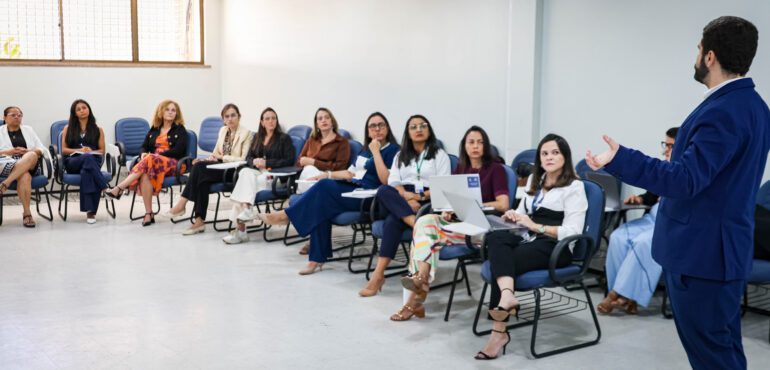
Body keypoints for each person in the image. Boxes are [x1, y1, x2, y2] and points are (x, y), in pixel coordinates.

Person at [585, 16, 768, 369]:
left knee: (711, 356)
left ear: (710, 56)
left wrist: (622, 158)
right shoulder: (755, 107)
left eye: (699, 49)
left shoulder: (722, 111)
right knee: (725, 350)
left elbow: (685, 180)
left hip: (703, 257)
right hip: (724, 252)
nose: (697, 56)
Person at [476, 134, 587, 360]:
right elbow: (522, 213)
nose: (549, 157)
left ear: (565, 156)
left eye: (555, 152)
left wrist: (536, 226)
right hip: (530, 236)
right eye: (544, 153)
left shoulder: (575, 187)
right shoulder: (534, 180)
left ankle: (498, 333)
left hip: (556, 247)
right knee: (496, 239)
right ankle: (507, 295)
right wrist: (513, 215)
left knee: (505, 262)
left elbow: (573, 231)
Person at [384, 126, 509, 318]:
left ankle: (414, 299)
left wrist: (474, 204)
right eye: (471, 142)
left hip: (482, 228)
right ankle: (421, 279)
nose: (475, 146)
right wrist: (450, 209)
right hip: (459, 224)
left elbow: (503, 204)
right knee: (424, 223)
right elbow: (453, 198)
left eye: (480, 142)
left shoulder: (496, 169)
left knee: (425, 239)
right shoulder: (461, 168)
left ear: (486, 146)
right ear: (464, 146)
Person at [256, 112, 399, 276]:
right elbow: (349, 173)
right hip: (352, 189)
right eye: (372, 126)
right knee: (321, 202)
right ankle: (316, 259)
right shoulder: (365, 150)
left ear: (387, 128)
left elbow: (386, 180)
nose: (377, 129)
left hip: (369, 196)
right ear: (368, 131)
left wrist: (376, 153)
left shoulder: (393, 150)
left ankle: (286, 216)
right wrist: (328, 175)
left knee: (323, 191)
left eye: (381, 125)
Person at [365, 115, 451, 305]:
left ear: (429, 130)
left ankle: (378, 275)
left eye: (422, 126)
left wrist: (419, 197)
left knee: (392, 222)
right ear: (408, 132)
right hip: (402, 197)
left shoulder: (439, 155)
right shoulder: (400, 155)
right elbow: (393, 182)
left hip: (427, 200)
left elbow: (444, 186)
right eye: (413, 127)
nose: (418, 129)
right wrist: (405, 197)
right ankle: (414, 222)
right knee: (383, 190)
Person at [597, 127, 677, 314]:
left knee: (643, 243)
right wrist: (639, 199)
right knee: (618, 236)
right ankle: (625, 297)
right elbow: (652, 194)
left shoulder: (687, 172)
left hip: (671, 223)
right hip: (652, 218)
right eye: (665, 145)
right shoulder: (665, 168)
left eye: (671, 146)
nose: (666, 150)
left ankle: (616, 294)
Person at [163, 103, 253, 235]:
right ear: (223, 119)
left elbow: (242, 159)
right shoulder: (223, 131)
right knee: (201, 176)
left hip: (234, 171)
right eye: (226, 116)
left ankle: (181, 205)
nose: (230, 119)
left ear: (239, 116)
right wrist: (208, 159)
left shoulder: (246, 134)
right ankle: (199, 221)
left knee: (199, 170)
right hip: (220, 165)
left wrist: (222, 157)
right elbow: (216, 152)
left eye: (233, 115)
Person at [105, 100, 189, 226]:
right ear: (161, 112)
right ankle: (148, 213)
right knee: (145, 173)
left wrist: (156, 156)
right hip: (153, 163)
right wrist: (143, 153)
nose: (171, 112)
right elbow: (143, 147)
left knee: (150, 159)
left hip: (174, 163)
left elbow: (178, 151)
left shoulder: (180, 130)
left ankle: (119, 188)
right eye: (167, 109)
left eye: (173, 110)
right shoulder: (155, 129)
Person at [220, 107, 295, 244]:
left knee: (244, 189)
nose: (271, 121)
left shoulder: (284, 138)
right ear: (262, 122)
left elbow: (289, 160)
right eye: (267, 118)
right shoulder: (258, 138)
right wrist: (254, 161)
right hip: (258, 172)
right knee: (244, 172)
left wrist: (267, 163)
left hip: (274, 175)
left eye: (273, 118)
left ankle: (241, 231)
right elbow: (248, 158)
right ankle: (247, 211)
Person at [60, 99, 107, 224]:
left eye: (84, 107)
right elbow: (64, 150)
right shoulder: (67, 128)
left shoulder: (98, 129)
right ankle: (105, 188)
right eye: (78, 109)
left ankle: (91, 213)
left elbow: (102, 151)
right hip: (73, 161)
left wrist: (90, 151)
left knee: (88, 171)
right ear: (74, 113)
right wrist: (80, 150)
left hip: (92, 162)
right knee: (87, 158)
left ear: (89, 109)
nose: (82, 111)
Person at [0, 106, 47, 227]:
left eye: (19, 115)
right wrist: (8, 152)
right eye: (13, 115)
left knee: (31, 154)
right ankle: (27, 214)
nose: (17, 117)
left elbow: (41, 149)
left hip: (31, 163)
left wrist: (27, 151)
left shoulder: (28, 130)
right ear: (4, 117)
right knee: (25, 175)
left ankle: (5, 183)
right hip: (8, 163)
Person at [293, 107, 350, 194]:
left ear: (332, 122)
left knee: (309, 169)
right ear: (317, 124)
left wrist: (313, 162)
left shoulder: (342, 142)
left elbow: (340, 167)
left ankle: (305, 197)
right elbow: (299, 161)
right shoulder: (312, 140)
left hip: (328, 177)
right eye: (320, 118)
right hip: (308, 176)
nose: (324, 120)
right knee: (308, 169)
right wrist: (303, 162)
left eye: (327, 117)